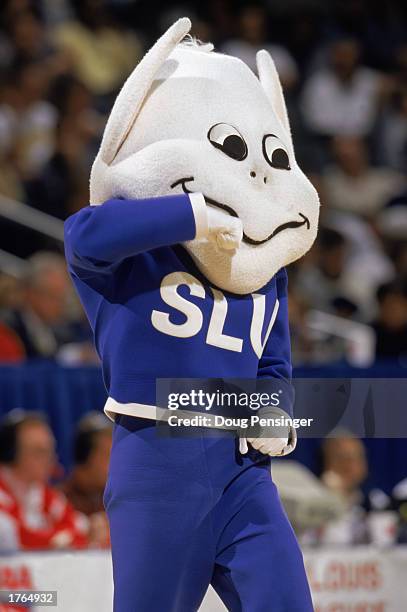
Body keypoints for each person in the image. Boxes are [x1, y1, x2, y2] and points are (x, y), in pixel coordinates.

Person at [64, 19, 320, 611]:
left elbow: (273, 358)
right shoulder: (135, 251)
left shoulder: (260, 262)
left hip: (243, 470)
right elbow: (83, 234)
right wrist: (194, 212)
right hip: (157, 463)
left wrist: (275, 410)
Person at [0, 409, 88, 551]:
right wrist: (58, 541)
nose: (50, 459)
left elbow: (78, 527)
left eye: (51, 450)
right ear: (11, 454)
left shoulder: (43, 493)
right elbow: (14, 536)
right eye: (39, 452)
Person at [62, 411, 112, 548]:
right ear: (84, 457)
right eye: (107, 455)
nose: (116, 465)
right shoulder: (58, 502)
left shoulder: (115, 500)